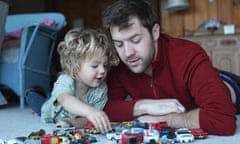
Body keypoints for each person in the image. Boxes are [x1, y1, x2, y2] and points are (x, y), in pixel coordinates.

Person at [102, 0, 239, 136]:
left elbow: (222, 120)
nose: (127, 53)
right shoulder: (120, 64)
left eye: (136, 40)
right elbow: (103, 108)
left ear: (155, 32)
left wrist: (166, 119)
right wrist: (142, 105)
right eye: (119, 44)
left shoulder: (188, 55)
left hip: (230, 85)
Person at [26, 28, 119, 132]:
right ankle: (31, 93)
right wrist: (90, 111)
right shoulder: (66, 79)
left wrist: (70, 123)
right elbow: (64, 99)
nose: (102, 70)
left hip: (67, 117)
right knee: (38, 103)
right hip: (50, 111)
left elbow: (86, 120)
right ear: (75, 66)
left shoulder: (101, 89)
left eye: (105, 65)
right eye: (95, 66)